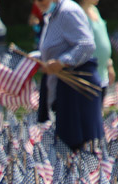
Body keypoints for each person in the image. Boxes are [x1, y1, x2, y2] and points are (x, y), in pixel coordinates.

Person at [34, 0, 103, 150]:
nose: (37, 3)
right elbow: (52, 49)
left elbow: (86, 44)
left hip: (77, 89)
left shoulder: (67, 11)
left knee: (77, 151)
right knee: (66, 149)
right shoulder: (52, 14)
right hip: (64, 87)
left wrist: (62, 62)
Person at [77, 0, 113, 99]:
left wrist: (109, 64)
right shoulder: (78, 14)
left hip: (103, 72)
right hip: (88, 75)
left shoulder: (94, 10)